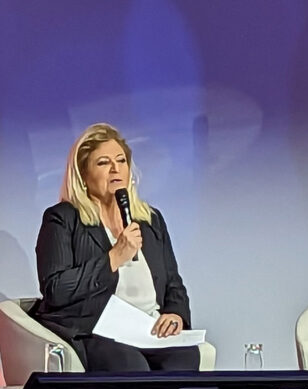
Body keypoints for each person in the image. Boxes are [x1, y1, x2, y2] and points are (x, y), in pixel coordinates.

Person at [31, 123, 200, 372]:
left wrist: (176, 314)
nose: (115, 169)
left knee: (185, 357)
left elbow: (173, 282)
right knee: (130, 365)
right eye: (103, 163)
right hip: (97, 329)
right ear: (83, 174)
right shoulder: (63, 219)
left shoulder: (150, 220)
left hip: (149, 328)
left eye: (121, 161)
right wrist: (113, 257)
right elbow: (55, 289)